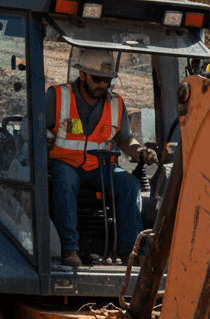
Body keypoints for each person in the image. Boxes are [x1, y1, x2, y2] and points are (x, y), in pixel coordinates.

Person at [47, 47, 158, 267]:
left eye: (106, 80)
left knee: (129, 184)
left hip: (99, 168)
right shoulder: (58, 96)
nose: (102, 85)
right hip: (65, 164)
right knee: (64, 181)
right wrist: (45, 135)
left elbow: (125, 140)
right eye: (97, 78)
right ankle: (70, 249)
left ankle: (130, 252)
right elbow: (36, 127)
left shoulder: (116, 103)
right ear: (82, 74)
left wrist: (141, 152)